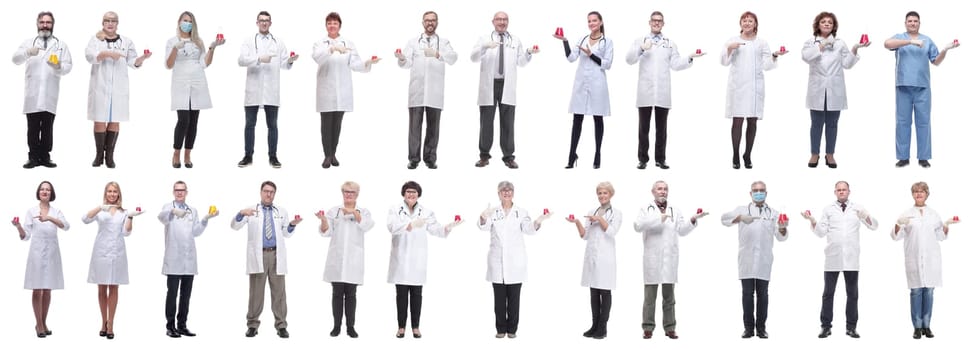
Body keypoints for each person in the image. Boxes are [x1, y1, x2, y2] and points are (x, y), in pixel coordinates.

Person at [800, 181, 878, 338]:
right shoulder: (828, 209)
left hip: (851, 258)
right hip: (832, 258)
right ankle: (825, 326)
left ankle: (851, 327)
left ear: (849, 191)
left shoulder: (857, 208)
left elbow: (874, 226)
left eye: (844, 190)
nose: (842, 192)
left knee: (852, 294)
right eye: (839, 190)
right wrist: (812, 220)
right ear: (835, 192)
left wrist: (866, 216)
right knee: (828, 293)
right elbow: (821, 232)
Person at [625, 11, 701, 170]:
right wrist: (641, 48)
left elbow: (675, 64)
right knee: (643, 129)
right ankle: (643, 159)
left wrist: (690, 57)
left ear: (663, 24)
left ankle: (660, 159)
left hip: (662, 92)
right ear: (649, 22)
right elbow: (629, 60)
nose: (656, 23)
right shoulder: (640, 40)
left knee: (662, 129)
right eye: (654, 20)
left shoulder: (670, 44)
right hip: (645, 91)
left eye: (659, 21)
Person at [385, 181, 461, 338]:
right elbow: (391, 226)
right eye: (408, 191)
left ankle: (415, 327)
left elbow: (435, 229)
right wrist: (409, 225)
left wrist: (448, 227)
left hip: (417, 259)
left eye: (414, 192)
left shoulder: (426, 212)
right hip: (400, 258)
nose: (411, 194)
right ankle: (401, 327)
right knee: (401, 295)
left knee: (417, 295)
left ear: (418, 194)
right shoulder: (394, 209)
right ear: (403, 193)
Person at [884, 11, 958, 168]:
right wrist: (910, 42)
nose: (912, 23)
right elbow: (887, 44)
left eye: (915, 21)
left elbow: (936, 61)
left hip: (922, 87)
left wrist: (945, 50)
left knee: (923, 122)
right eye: (909, 21)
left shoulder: (927, 40)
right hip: (903, 86)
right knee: (902, 122)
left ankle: (923, 157)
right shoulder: (900, 37)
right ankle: (903, 157)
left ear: (919, 23)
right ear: (905, 23)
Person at [479, 181, 551, 338]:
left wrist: (539, 221)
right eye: (503, 190)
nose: (506, 192)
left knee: (514, 299)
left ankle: (512, 330)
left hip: (515, 262)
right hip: (497, 261)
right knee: (499, 301)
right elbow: (483, 227)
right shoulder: (492, 211)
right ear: (498, 193)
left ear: (513, 193)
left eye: (509, 190)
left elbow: (529, 230)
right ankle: (500, 329)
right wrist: (483, 217)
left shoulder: (521, 212)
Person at [633, 180, 704, 340]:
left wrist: (693, 219)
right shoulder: (646, 209)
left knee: (669, 298)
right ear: (653, 191)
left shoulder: (675, 210)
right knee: (650, 298)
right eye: (659, 189)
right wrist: (659, 219)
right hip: (652, 259)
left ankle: (670, 327)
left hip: (669, 260)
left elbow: (682, 231)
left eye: (665, 189)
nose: (663, 191)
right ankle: (648, 328)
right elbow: (638, 226)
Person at [231, 180, 301, 338]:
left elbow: (286, 234)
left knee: (279, 292)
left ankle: (281, 325)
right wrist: (241, 213)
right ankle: (252, 325)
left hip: (276, 255)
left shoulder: (281, 211)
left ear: (274, 194)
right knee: (256, 292)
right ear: (261, 192)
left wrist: (292, 224)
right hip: (258, 255)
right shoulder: (251, 210)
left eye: (272, 192)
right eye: (266, 191)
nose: (269, 194)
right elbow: (234, 226)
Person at [471, 12, 539, 169]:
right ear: (493, 21)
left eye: (505, 19)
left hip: (507, 85)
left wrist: (528, 52)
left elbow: (521, 62)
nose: (502, 22)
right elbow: (473, 57)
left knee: (508, 122)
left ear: (508, 22)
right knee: (486, 122)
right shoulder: (484, 38)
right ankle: (484, 156)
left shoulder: (515, 40)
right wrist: (484, 46)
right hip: (489, 85)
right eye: (499, 19)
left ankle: (508, 157)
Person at [721, 181, 788, 339]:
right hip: (747, 260)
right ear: (750, 194)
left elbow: (781, 237)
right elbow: (723, 220)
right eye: (755, 190)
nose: (759, 192)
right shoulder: (742, 209)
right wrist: (740, 218)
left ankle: (761, 329)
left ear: (766, 193)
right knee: (747, 294)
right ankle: (749, 329)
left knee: (763, 295)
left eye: (762, 190)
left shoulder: (773, 213)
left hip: (764, 260)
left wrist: (783, 227)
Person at [891, 181, 957, 339]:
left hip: (931, 260)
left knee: (928, 293)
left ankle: (927, 326)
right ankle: (917, 327)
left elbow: (941, 236)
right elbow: (895, 236)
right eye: (915, 191)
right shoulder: (907, 213)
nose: (918, 194)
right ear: (912, 194)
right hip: (913, 258)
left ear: (927, 194)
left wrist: (947, 225)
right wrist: (899, 224)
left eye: (921, 191)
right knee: (915, 292)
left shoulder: (933, 214)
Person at [801, 12, 866, 169]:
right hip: (817, 89)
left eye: (830, 22)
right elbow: (806, 57)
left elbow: (847, 64)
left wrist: (855, 48)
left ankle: (830, 154)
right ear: (818, 25)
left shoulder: (840, 43)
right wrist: (822, 46)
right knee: (816, 123)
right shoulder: (811, 42)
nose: (827, 24)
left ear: (834, 26)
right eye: (823, 21)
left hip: (835, 88)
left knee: (832, 124)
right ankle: (814, 154)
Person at [313, 12, 378, 169]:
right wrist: (331, 49)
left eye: (335, 23)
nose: (332, 25)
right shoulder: (320, 43)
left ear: (340, 26)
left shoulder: (348, 43)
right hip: (326, 90)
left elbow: (355, 64)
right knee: (326, 124)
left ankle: (333, 153)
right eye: (329, 23)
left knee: (337, 125)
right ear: (326, 26)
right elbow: (317, 57)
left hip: (342, 90)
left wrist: (368, 62)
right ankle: (327, 155)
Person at [86, 11, 150, 169]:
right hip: (99, 87)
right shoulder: (95, 39)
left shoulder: (126, 41)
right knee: (99, 120)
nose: (110, 23)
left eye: (113, 20)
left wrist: (142, 58)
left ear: (117, 23)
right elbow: (89, 56)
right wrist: (106, 53)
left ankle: (110, 157)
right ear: (103, 23)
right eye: (107, 20)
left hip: (118, 88)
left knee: (115, 120)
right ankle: (99, 155)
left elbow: (133, 61)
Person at [721, 11, 784, 169]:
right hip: (738, 87)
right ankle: (735, 154)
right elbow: (724, 62)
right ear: (740, 23)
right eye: (744, 20)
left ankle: (747, 154)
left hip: (754, 87)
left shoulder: (761, 43)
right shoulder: (732, 41)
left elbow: (766, 65)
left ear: (755, 24)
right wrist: (729, 49)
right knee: (737, 121)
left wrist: (775, 55)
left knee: (752, 121)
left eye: (750, 21)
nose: (747, 23)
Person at [395, 11, 457, 170]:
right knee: (414, 127)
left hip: (435, 92)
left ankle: (430, 158)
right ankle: (414, 159)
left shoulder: (443, 42)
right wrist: (401, 57)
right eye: (427, 21)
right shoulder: (413, 42)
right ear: (423, 23)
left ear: (437, 22)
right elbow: (407, 63)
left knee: (433, 128)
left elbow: (453, 58)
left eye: (433, 20)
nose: (430, 23)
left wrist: (438, 54)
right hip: (417, 91)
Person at [157, 181, 218, 338]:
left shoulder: (193, 210)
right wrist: (172, 211)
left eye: (182, 190)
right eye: (177, 190)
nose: (179, 193)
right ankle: (170, 326)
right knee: (172, 294)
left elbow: (196, 232)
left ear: (186, 192)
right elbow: (162, 218)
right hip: (173, 257)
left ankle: (182, 325)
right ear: (173, 191)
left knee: (186, 295)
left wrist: (206, 219)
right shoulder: (167, 206)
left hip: (189, 259)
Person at [237, 11, 297, 169]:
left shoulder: (278, 42)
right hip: (253, 90)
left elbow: (283, 64)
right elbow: (241, 60)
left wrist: (290, 61)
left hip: (271, 91)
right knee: (249, 124)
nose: (264, 23)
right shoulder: (249, 41)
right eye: (261, 20)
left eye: (267, 21)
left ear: (271, 23)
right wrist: (258, 59)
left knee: (273, 125)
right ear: (257, 23)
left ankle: (273, 157)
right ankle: (248, 156)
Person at [82, 181, 142, 340]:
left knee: (114, 288)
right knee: (101, 289)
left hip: (117, 253)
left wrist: (130, 217)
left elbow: (126, 233)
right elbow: (84, 219)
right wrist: (100, 207)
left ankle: (111, 325)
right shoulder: (101, 211)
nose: (112, 194)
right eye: (109, 191)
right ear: (105, 193)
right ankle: (103, 322)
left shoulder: (124, 212)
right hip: (101, 253)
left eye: (115, 191)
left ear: (119, 194)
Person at [165, 11, 225, 168]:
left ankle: (188, 154)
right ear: (179, 22)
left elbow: (205, 63)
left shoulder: (198, 41)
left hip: (198, 82)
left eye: (190, 21)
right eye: (185, 20)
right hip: (180, 83)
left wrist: (212, 48)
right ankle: (176, 153)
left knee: (193, 122)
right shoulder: (172, 41)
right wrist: (175, 49)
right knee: (183, 120)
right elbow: (168, 65)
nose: (187, 23)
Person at [13, 11, 72, 169]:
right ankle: (33, 157)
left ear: (53, 25)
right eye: (42, 22)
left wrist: (58, 66)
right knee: (32, 127)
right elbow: (15, 59)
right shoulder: (28, 42)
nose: (45, 25)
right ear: (37, 24)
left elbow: (68, 66)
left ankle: (45, 157)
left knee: (47, 127)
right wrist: (27, 52)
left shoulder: (61, 45)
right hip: (32, 93)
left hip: (49, 93)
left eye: (48, 22)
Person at [556, 11, 613, 169]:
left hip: (597, 84)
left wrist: (591, 54)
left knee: (598, 119)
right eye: (589, 21)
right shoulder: (582, 38)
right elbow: (571, 58)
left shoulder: (607, 41)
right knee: (577, 119)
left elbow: (607, 64)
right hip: (581, 84)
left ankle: (597, 155)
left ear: (601, 22)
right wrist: (565, 41)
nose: (591, 23)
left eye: (594, 20)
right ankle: (571, 156)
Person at [318, 181, 375, 338]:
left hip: (353, 261)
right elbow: (326, 232)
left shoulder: (364, 211)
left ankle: (350, 327)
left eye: (352, 192)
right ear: (342, 193)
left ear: (357, 194)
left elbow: (367, 225)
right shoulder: (334, 211)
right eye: (345, 192)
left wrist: (355, 214)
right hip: (337, 259)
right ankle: (336, 326)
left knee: (351, 294)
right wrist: (323, 220)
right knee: (336, 294)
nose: (348, 194)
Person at [14, 181, 69, 338]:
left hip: (52, 254)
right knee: (37, 289)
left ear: (51, 194)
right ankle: (38, 324)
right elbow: (26, 236)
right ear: (38, 192)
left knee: (48, 289)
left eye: (48, 190)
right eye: (42, 189)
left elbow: (66, 226)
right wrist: (18, 227)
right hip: (37, 254)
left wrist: (49, 218)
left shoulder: (56, 211)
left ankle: (44, 322)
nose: (45, 192)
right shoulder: (31, 211)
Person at [568, 182, 621, 339]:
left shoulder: (617, 213)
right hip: (592, 257)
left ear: (610, 194)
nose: (602, 196)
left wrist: (599, 219)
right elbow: (585, 236)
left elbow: (612, 232)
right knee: (593, 292)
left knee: (604, 291)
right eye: (599, 193)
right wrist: (577, 222)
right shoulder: (592, 211)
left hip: (606, 258)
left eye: (605, 193)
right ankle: (594, 325)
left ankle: (602, 328)